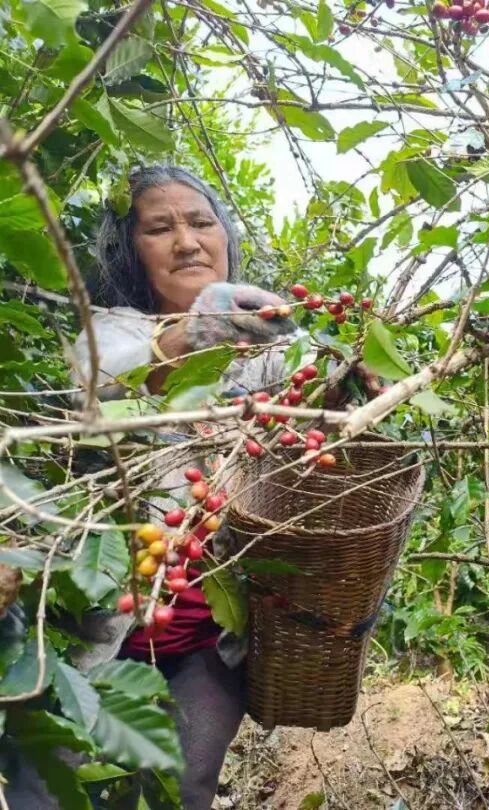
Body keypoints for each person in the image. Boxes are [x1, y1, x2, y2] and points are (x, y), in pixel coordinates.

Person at [3, 165, 298, 810]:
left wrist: (346, 384)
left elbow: (309, 435)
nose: (187, 242)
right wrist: (200, 329)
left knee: (183, 789)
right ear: (131, 251)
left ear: (225, 237)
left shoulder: (269, 350)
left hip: (210, 638)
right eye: (160, 229)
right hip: (99, 623)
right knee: (42, 793)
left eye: (201, 223)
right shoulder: (109, 328)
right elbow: (105, 381)